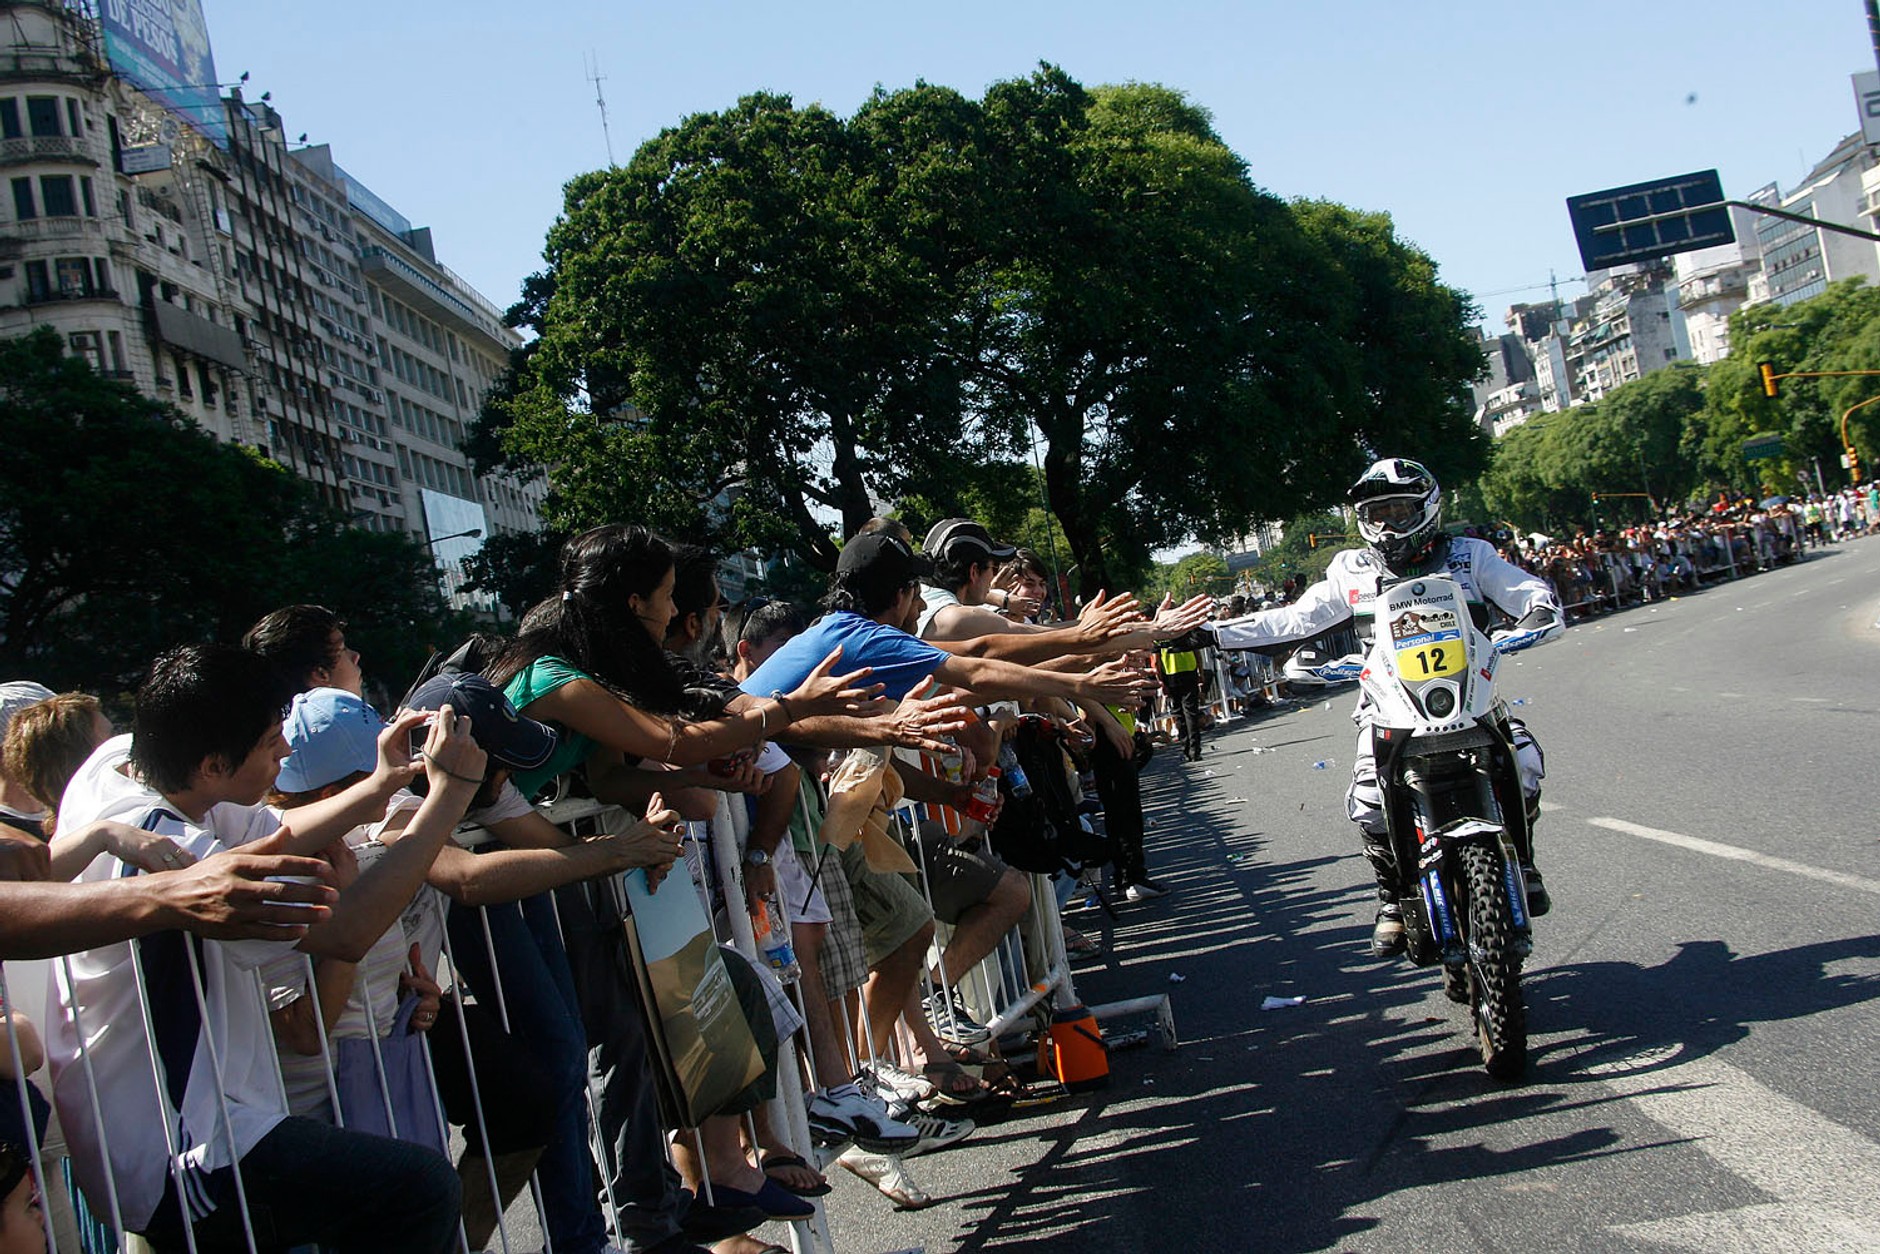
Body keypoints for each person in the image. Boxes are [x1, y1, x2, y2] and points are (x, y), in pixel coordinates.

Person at [49, 643, 475, 1252]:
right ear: (214, 766)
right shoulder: (173, 855)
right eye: (272, 740)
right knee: (421, 1189)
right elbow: (345, 933)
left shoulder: (119, 761)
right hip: (183, 1147)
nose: (286, 751)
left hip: (203, 1122)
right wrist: (449, 797)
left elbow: (276, 837)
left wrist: (382, 784)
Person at [1208, 459, 1563, 958]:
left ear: (1428, 508)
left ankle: (1523, 862)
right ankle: (1394, 897)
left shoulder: (1470, 555)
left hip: (1473, 696)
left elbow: (1523, 589)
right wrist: (1214, 631)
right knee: (1368, 802)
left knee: (1524, 763)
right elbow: (1294, 620)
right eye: (1378, 512)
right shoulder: (1350, 569)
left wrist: (1539, 608)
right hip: (1386, 709)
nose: (1389, 523)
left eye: (1400, 509)